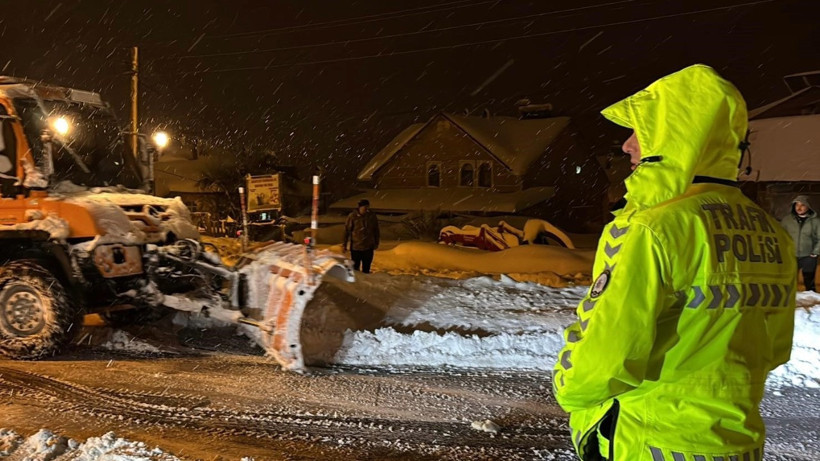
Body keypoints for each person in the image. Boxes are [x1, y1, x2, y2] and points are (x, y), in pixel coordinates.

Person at [552, 65, 796, 461]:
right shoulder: (771, 232)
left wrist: (568, 388)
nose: (627, 146)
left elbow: (603, 359)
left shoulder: (654, 227)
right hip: (735, 444)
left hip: (650, 440)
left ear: (677, 136)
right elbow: (775, 348)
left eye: (641, 131)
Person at [780, 195, 820, 292]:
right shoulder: (786, 221)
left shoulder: (816, 221)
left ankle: (811, 300)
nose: (799, 208)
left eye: (802, 205)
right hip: (791, 255)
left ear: (808, 207)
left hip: (809, 256)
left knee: (809, 280)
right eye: (796, 205)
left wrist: (815, 252)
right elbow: (781, 236)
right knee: (788, 278)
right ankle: (788, 298)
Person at [342, 199, 380, 273]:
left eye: (367, 207)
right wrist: (344, 244)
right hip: (356, 247)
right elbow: (347, 231)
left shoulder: (371, 216)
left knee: (366, 268)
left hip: (368, 246)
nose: (366, 209)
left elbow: (376, 230)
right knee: (356, 269)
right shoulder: (352, 216)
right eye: (364, 207)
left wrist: (376, 242)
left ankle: (365, 282)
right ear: (360, 207)